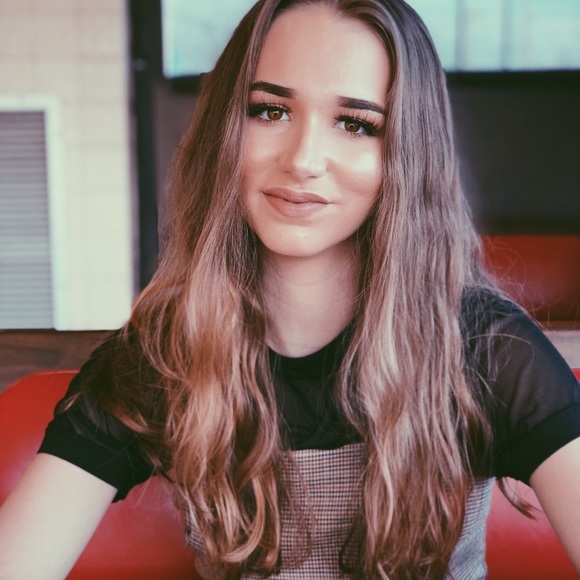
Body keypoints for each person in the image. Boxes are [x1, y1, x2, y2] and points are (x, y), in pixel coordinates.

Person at [1, 0, 579, 577]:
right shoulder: (163, 353)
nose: (303, 160)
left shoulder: (487, 349)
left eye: (356, 124)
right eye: (270, 111)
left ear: (407, 153)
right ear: (226, 128)